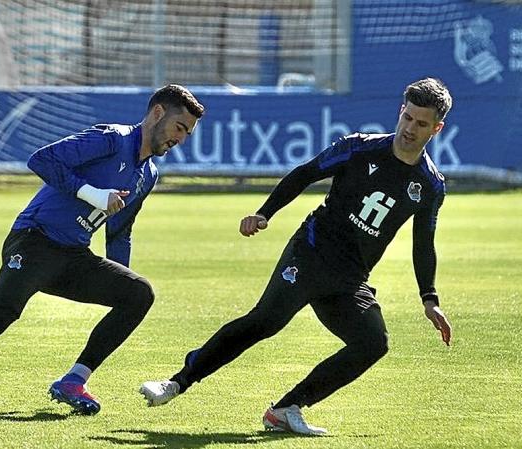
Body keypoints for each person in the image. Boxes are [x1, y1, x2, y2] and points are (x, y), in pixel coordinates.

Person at [140, 77, 453, 435]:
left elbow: (423, 243)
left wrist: (430, 299)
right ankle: (177, 382)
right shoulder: (359, 148)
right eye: (408, 117)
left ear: (437, 128)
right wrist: (265, 213)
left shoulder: (430, 185)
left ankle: (287, 408)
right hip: (311, 253)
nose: (410, 128)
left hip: (350, 279)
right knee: (266, 322)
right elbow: (306, 173)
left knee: (373, 343)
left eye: (421, 123)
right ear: (401, 111)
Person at [0, 84, 204, 416]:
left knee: (138, 293)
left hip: (72, 256)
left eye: (187, 133)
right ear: (158, 113)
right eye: (180, 127)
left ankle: (74, 380)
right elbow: (41, 159)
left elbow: (119, 232)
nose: (181, 139)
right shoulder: (111, 139)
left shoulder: (149, 174)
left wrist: (119, 280)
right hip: (34, 241)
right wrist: (90, 193)